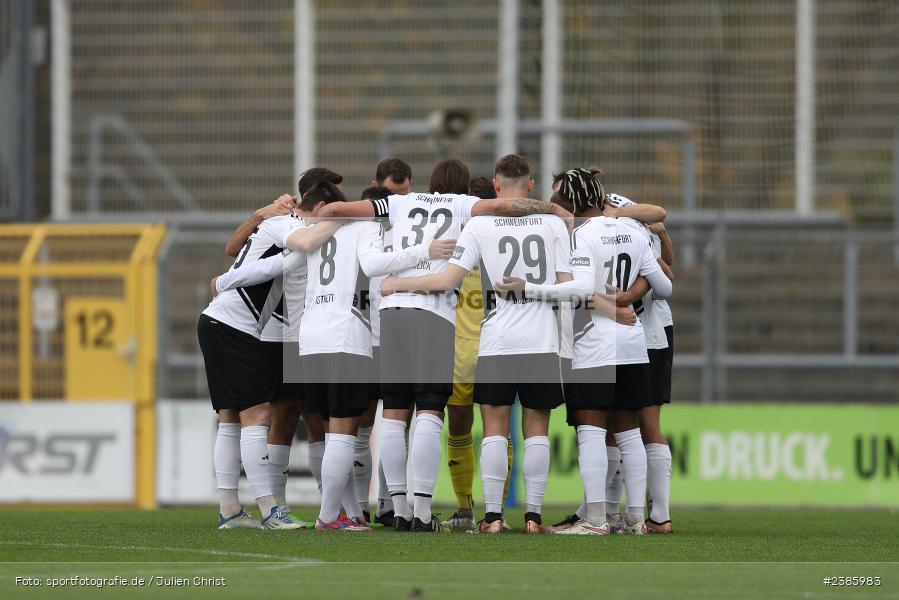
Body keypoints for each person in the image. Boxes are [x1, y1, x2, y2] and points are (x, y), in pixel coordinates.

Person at [315, 157, 571, 532]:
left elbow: (338, 208)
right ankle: (423, 511)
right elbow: (502, 206)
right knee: (432, 414)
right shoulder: (462, 205)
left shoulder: (399, 202)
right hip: (435, 315)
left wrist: (304, 217)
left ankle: (398, 509)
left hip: (392, 312)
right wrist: (551, 208)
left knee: (394, 414)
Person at [495, 168, 671, 535]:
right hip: (634, 342)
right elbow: (665, 286)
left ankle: (595, 520)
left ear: (572, 201)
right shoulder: (633, 231)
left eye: (558, 196)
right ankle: (636, 520)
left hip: (595, 343)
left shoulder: (581, 237)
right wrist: (626, 296)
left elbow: (578, 290)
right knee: (628, 432)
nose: (554, 202)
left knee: (591, 430)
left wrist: (528, 288)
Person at [281, 181, 449, 531]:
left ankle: (347, 512)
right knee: (344, 432)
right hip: (345, 334)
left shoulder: (314, 231)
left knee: (330, 433)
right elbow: (373, 265)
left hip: (310, 337)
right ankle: (329, 518)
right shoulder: (364, 227)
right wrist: (425, 251)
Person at [441, 175, 510, 532]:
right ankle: (497, 513)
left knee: (459, 428)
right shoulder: (505, 243)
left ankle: (466, 509)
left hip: (459, 352)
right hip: (499, 348)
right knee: (500, 431)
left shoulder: (453, 244)